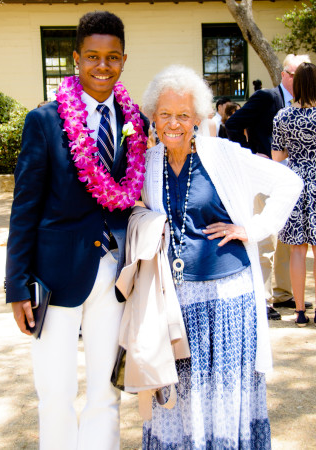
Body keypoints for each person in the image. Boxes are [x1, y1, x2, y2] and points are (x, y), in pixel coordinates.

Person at [5, 11, 148, 450]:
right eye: (91, 57)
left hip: (116, 277)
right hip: (56, 276)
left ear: (123, 60)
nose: (101, 66)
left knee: (106, 392)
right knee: (56, 393)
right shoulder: (44, 121)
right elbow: (24, 206)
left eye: (111, 57)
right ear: (75, 59)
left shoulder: (136, 120)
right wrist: (16, 286)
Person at [140, 65, 303, 449]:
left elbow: (288, 181)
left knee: (224, 400)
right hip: (175, 307)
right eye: (165, 114)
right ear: (153, 118)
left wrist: (254, 228)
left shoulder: (224, 155)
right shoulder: (148, 165)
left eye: (184, 114)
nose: (175, 123)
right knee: (178, 402)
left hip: (228, 303)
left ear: (198, 117)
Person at [225, 54, 312, 320]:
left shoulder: (297, 110)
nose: (300, 80)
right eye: (296, 74)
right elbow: (233, 124)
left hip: (294, 183)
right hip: (267, 179)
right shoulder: (266, 98)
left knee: (290, 242)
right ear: (285, 75)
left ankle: (285, 294)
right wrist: (252, 155)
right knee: (266, 241)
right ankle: (261, 299)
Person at [272, 62, 316, 326]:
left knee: (297, 251)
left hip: (295, 183)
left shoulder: (283, 116)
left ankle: (299, 312)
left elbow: (278, 157)